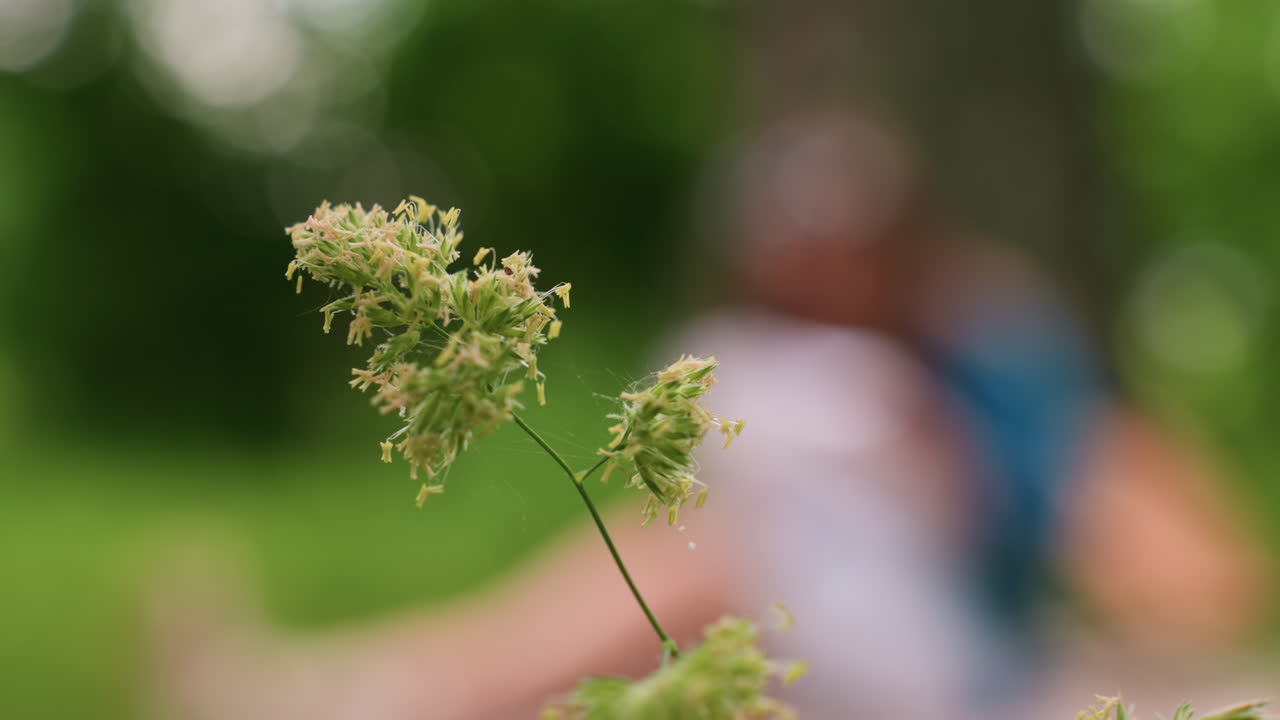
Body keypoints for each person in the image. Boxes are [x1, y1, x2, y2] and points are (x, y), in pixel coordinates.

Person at [151, 107, 1268, 720]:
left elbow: (1176, 557)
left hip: (951, 667)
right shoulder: (750, 361)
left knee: (699, 563)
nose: (823, 274)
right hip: (778, 641)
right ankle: (346, 692)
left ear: (901, 243)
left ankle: (343, 695)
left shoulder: (992, 353)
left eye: (849, 247)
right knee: (692, 558)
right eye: (794, 253)